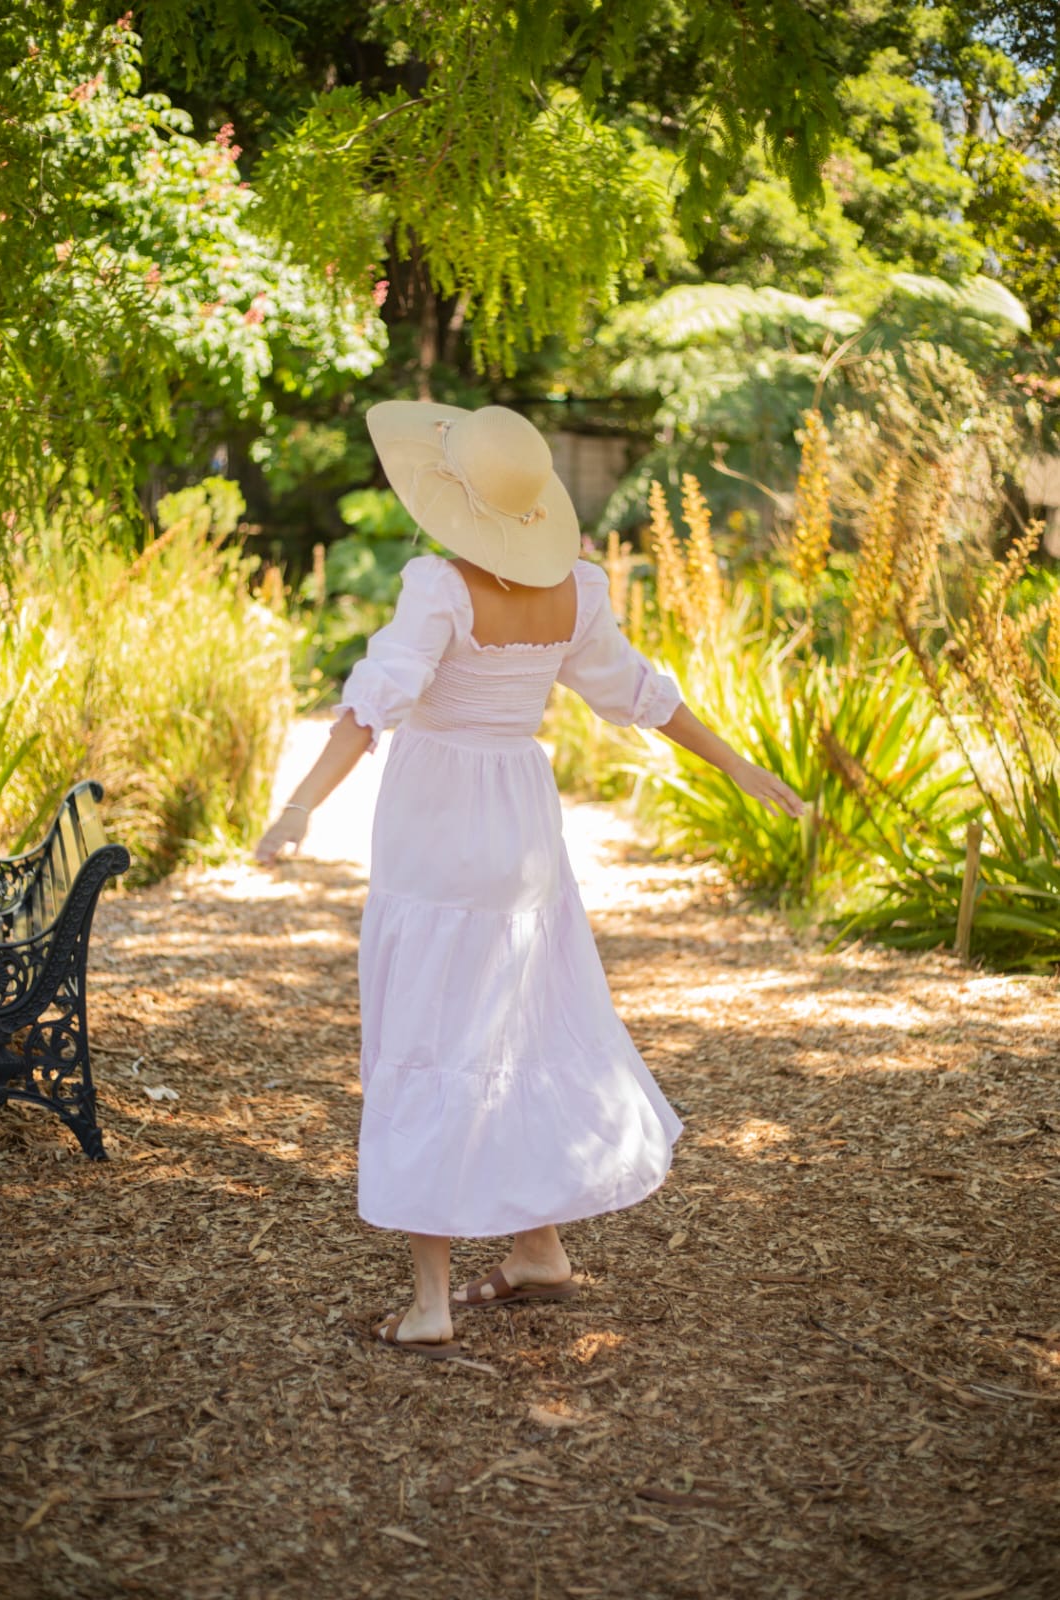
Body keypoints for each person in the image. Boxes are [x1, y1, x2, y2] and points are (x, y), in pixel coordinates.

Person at [255, 402, 805, 1359]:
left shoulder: (438, 587)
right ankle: (541, 1247)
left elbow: (370, 707)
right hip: (519, 820)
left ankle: (431, 1301)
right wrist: (739, 766)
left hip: (437, 826)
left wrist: (300, 805)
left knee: (428, 1032)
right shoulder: (579, 593)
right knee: (514, 1016)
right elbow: (641, 694)